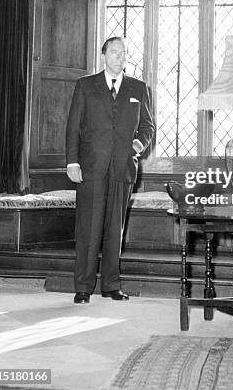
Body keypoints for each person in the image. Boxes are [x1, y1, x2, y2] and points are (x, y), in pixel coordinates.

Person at [66, 37, 155, 304]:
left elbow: (147, 126)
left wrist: (137, 145)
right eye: (114, 52)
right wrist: (72, 162)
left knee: (115, 228)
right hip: (91, 168)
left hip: (123, 167)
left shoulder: (138, 88)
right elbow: (73, 127)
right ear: (104, 55)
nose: (120, 56)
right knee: (88, 229)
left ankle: (111, 285)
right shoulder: (85, 86)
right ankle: (83, 287)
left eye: (124, 53)